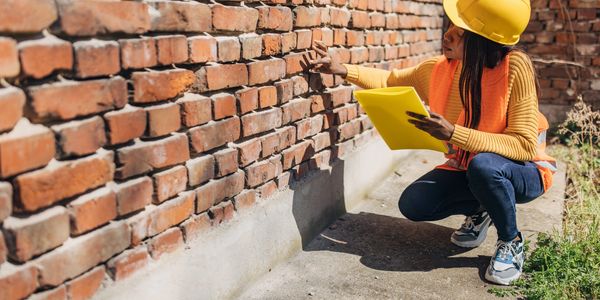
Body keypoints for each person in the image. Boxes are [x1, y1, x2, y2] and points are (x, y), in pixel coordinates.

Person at [308, 0, 557, 285]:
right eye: (450, 25)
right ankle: (484, 208)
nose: (447, 35)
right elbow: (391, 79)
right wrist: (342, 70)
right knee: (415, 204)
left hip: (524, 170)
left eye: (459, 32)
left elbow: (525, 145)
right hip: (472, 167)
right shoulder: (441, 69)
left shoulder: (516, 68)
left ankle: (510, 241)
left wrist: (454, 133)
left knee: (486, 166)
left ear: (482, 41)